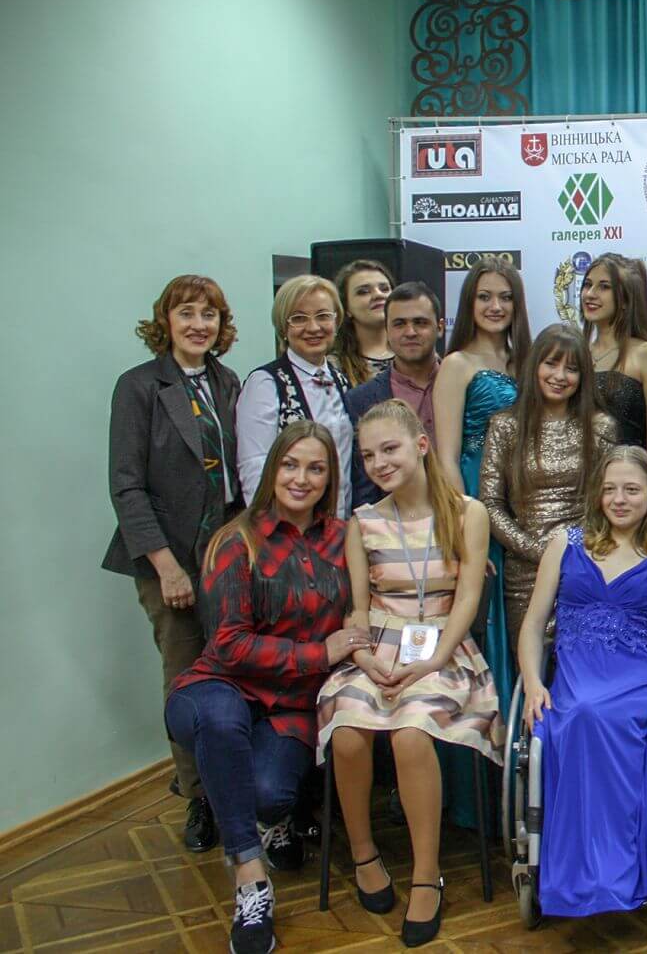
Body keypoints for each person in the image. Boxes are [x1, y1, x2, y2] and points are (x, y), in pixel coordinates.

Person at [164, 421, 365, 954]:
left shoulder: (344, 539)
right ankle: (251, 882)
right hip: (219, 687)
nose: (301, 478)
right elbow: (229, 646)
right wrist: (319, 653)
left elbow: (371, 601)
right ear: (273, 468)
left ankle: (271, 820)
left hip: (291, 705)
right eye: (290, 465)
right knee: (221, 720)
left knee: (270, 795)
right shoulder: (236, 540)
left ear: (330, 478)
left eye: (316, 468)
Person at [319, 400, 501, 948]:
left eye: (390, 449)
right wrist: (363, 658)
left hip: (443, 649)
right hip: (377, 649)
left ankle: (426, 874)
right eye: (368, 455)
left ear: (421, 445)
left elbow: (467, 596)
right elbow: (357, 609)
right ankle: (363, 855)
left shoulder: (468, 513)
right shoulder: (363, 522)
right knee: (347, 732)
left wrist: (436, 658)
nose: (379, 463)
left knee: (410, 733)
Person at [515, 447, 647, 916]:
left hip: (638, 680)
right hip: (576, 676)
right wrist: (532, 682)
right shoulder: (565, 544)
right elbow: (533, 626)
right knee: (577, 714)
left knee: (602, 715)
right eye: (610, 489)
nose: (619, 499)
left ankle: (618, 872)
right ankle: (574, 874)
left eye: (631, 489)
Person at [105, 274, 243, 854]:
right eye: (186, 313)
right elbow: (126, 486)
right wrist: (166, 567)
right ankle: (198, 796)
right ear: (165, 321)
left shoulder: (228, 381)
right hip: (170, 562)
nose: (198, 324)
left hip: (225, 556)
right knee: (186, 678)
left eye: (209, 315)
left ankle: (237, 785)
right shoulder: (139, 386)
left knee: (233, 670)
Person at [431, 255, 528, 820]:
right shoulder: (456, 365)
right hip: (474, 501)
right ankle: (480, 799)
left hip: (524, 501)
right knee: (482, 628)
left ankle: (524, 786)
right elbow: (444, 457)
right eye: (485, 296)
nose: (495, 306)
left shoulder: (526, 361)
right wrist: (464, 531)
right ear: (469, 303)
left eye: (505, 297)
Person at [481, 323, 615, 642]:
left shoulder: (601, 426)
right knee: (531, 663)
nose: (559, 376)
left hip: (586, 567)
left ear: (583, 376)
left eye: (571, 369)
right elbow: (490, 504)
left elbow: (609, 500)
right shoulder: (505, 426)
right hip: (524, 573)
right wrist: (539, 550)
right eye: (551, 364)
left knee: (584, 661)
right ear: (534, 366)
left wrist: (578, 555)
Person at [236, 274, 355, 516]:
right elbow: (254, 468)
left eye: (323, 316)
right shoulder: (265, 383)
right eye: (299, 318)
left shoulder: (342, 381)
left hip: (341, 525)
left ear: (336, 321)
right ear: (284, 327)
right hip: (290, 526)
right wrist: (269, 530)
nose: (313, 327)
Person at [346, 281, 445, 509]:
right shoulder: (360, 399)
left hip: (464, 517)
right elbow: (364, 487)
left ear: (440, 327)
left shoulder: (467, 387)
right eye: (399, 324)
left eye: (420, 323)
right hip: (394, 524)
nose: (410, 332)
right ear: (387, 330)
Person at [581, 253, 647, 451]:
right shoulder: (577, 354)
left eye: (604, 287)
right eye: (588, 285)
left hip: (630, 468)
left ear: (626, 299)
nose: (590, 294)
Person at [331, 259, 395, 386]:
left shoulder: (417, 353)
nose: (378, 295)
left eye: (384, 289)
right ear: (346, 308)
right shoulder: (333, 367)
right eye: (364, 292)